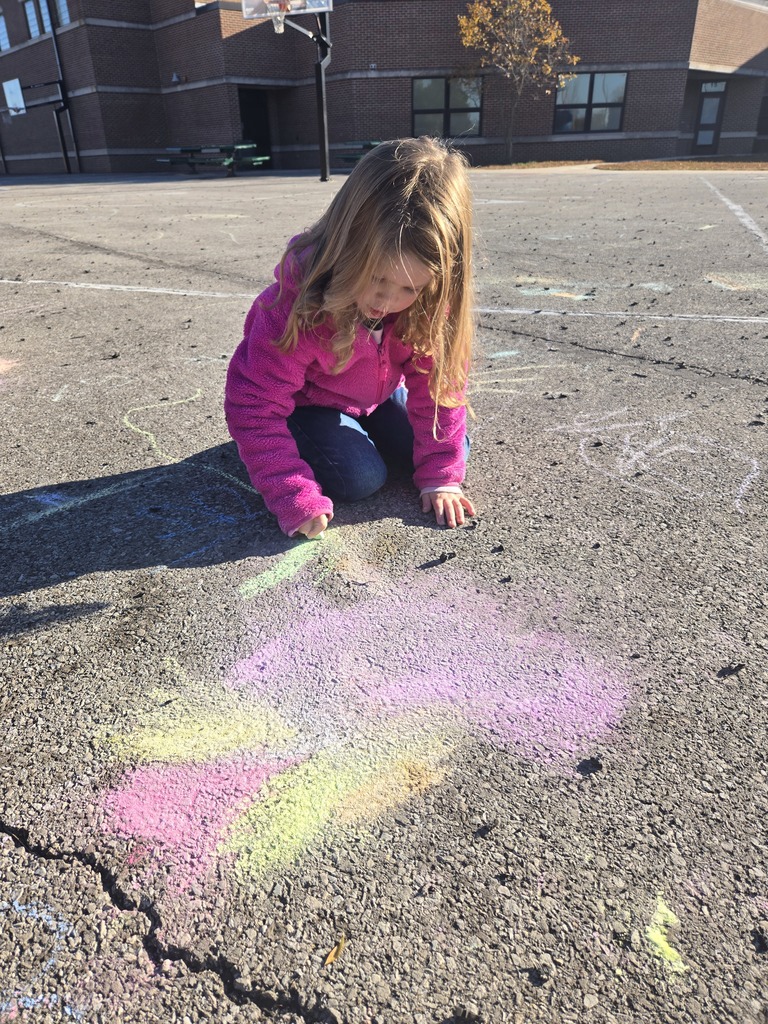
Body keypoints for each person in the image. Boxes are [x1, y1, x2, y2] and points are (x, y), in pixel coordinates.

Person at [225, 137, 476, 540]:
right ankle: (280, 446)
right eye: (375, 278)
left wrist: (440, 477)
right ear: (347, 247)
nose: (386, 302)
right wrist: (289, 490)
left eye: (408, 289)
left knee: (453, 450)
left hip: (374, 399)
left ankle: (363, 433)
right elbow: (253, 403)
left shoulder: (429, 302)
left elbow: (439, 388)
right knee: (360, 477)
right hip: (309, 406)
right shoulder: (298, 307)